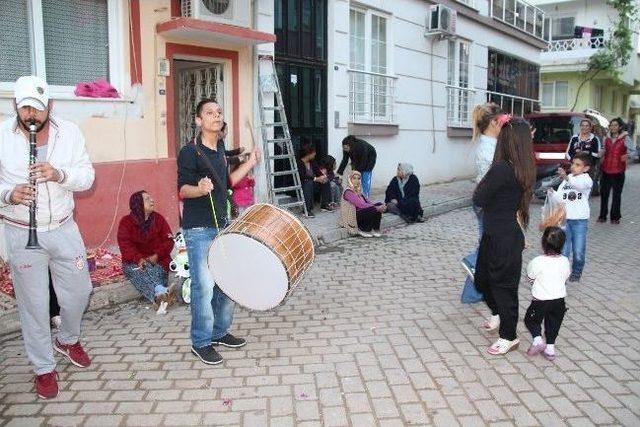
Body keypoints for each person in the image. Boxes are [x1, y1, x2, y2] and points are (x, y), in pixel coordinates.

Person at [0, 75, 95, 399]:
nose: (31, 115)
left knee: (80, 291)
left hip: (64, 228)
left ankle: (67, 339)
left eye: (37, 108)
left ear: (49, 106)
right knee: (34, 305)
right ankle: (43, 368)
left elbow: (87, 177)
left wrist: (59, 174)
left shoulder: (69, 132)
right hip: (20, 230)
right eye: (25, 107)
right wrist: (9, 194)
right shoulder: (1, 134)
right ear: (15, 105)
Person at [177, 98, 260, 365]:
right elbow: (182, 190)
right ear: (199, 120)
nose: (216, 115)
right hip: (199, 227)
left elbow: (227, 183)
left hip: (222, 224)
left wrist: (250, 162)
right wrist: (198, 189)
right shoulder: (190, 152)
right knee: (205, 287)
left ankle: (219, 332)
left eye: (219, 112)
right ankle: (201, 342)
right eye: (209, 113)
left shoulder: (220, 149)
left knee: (226, 281)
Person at [473, 117, 536, 355]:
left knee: (504, 288)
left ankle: (509, 337)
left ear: (507, 140)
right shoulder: (523, 166)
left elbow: (479, 198)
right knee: (482, 280)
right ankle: (499, 313)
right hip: (498, 234)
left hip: (503, 238)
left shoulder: (502, 169)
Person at [460, 103, 504, 282]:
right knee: (491, 243)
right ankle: (473, 262)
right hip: (488, 201)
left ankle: (478, 286)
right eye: (502, 121)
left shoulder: (491, 145)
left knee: (489, 240)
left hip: (486, 199)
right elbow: (496, 178)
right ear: (494, 122)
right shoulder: (489, 149)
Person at [117, 191, 177, 308]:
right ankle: (161, 292)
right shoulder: (126, 222)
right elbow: (125, 245)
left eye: (151, 198)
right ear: (138, 204)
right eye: (147, 199)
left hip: (158, 261)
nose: (152, 200)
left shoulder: (158, 219)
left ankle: (158, 296)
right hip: (135, 262)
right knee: (138, 270)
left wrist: (157, 255)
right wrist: (138, 258)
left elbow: (169, 240)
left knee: (151, 271)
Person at [524, 226, 571, 361]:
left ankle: (538, 340)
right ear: (562, 244)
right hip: (559, 300)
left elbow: (530, 278)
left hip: (540, 300)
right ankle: (550, 349)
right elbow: (566, 276)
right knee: (553, 324)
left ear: (543, 242)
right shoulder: (565, 260)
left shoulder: (537, 261)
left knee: (531, 320)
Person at [552, 152, 593, 282]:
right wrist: (551, 193)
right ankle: (563, 273)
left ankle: (577, 271)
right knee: (564, 250)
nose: (573, 167)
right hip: (565, 220)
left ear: (586, 168)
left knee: (578, 250)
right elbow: (560, 197)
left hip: (580, 221)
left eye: (578, 165)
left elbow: (579, 186)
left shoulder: (586, 179)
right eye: (573, 164)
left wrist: (566, 178)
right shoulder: (567, 179)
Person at [598, 118, 629, 224]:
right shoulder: (605, 138)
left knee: (616, 195)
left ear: (620, 127)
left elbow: (633, 150)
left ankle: (615, 217)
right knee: (604, 194)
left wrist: (627, 156)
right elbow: (603, 150)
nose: (613, 127)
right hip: (606, 170)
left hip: (619, 171)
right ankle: (602, 216)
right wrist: (600, 153)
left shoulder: (625, 138)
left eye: (615, 125)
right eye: (611, 125)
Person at [342, 171, 386, 238]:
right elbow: (361, 205)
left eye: (358, 178)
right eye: (354, 178)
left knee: (378, 204)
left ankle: (375, 229)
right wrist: (376, 208)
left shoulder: (359, 191)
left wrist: (380, 206)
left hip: (361, 212)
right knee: (372, 208)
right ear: (350, 179)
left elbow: (369, 203)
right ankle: (363, 229)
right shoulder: (348, 191)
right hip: (352, 216)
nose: (357, 180)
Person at [297, 142, 333, 218]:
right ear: (308, 153)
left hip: (312, 184)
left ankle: (325, 205)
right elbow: (302, 176)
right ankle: (306, 210)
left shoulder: (312, 162)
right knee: (308, 182)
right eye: (313, 152)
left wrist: (323, 177)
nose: (315, 154)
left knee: (325, 182)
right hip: (303, 185)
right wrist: (316, 179)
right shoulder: (299, 163)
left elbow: (318, 172)